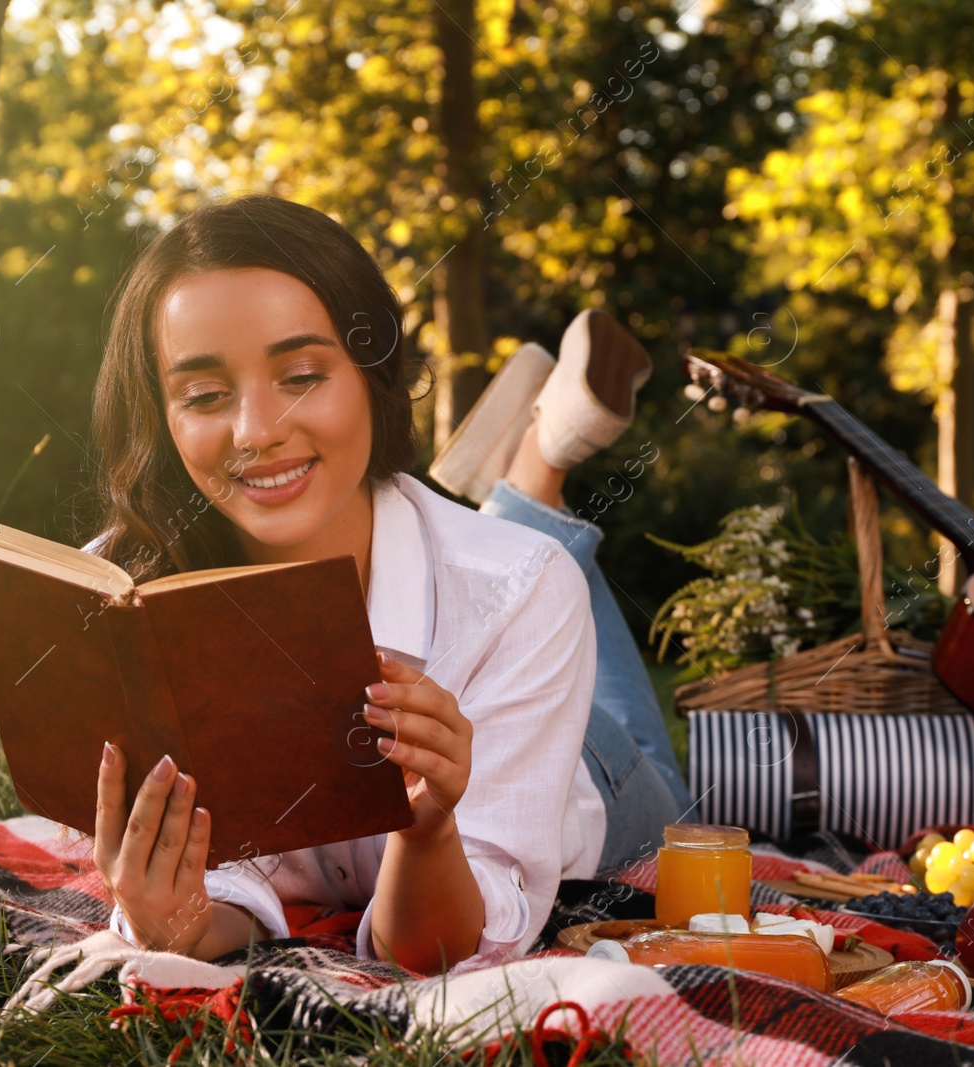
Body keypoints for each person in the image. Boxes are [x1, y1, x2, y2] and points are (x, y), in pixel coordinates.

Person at [83, 194, 689, 973]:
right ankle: (520, 484)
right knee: (517, 562)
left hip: (591, 772)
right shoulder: (127, 591)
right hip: (483, 569)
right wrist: (175, 921)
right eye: (203, 395)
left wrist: (430, 830)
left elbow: (431, 953)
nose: (254, 431)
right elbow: (222, 893)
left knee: (663, 768)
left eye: (301, 375)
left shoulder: (519, 591)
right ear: (161, 415)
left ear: (374, 374)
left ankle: (538, 464)